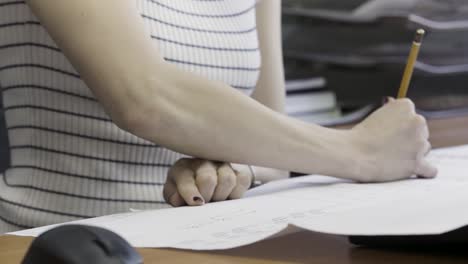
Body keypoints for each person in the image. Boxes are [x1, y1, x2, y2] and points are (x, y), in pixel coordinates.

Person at [0, 0, 436, 233]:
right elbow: (142, 96)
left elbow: (273, 155)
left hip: (198, 244)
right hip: (53, 242)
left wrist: (229, 166)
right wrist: (358, 151)